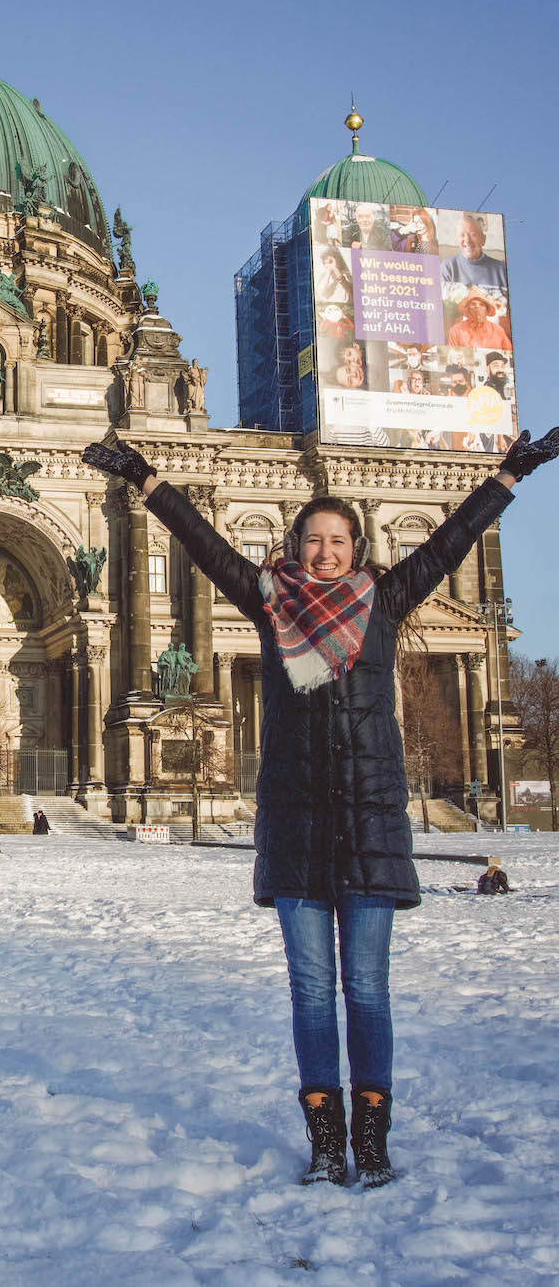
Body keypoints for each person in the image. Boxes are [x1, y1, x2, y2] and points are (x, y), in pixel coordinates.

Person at [82, 424, 559, 1189]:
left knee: (367, 991)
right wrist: (145, 478)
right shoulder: (271, 605)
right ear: (295, 547)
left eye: (338, 540)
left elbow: (450, 541)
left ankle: (371, 1140)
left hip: (370, 820)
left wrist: (507, 476)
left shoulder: (386, 600)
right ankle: (326, 1142)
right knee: (311, 993)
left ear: (357, 548)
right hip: (298, 821)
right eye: (313, 540)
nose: (325, 552)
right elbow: (202, 544)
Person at [441, 213, 508, 291]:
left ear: (483, 239)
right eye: (462, 235)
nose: (467, 241)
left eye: (473, 235)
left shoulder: (501, 269)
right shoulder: (448, 267)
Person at [447, 288, 512, 352]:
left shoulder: (498, 330)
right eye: (473, 304)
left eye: (482, 304)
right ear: (467, 309)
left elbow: (509, 353)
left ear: (487, 309)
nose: (477, 307)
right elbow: (452, 355)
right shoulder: (456, 330)